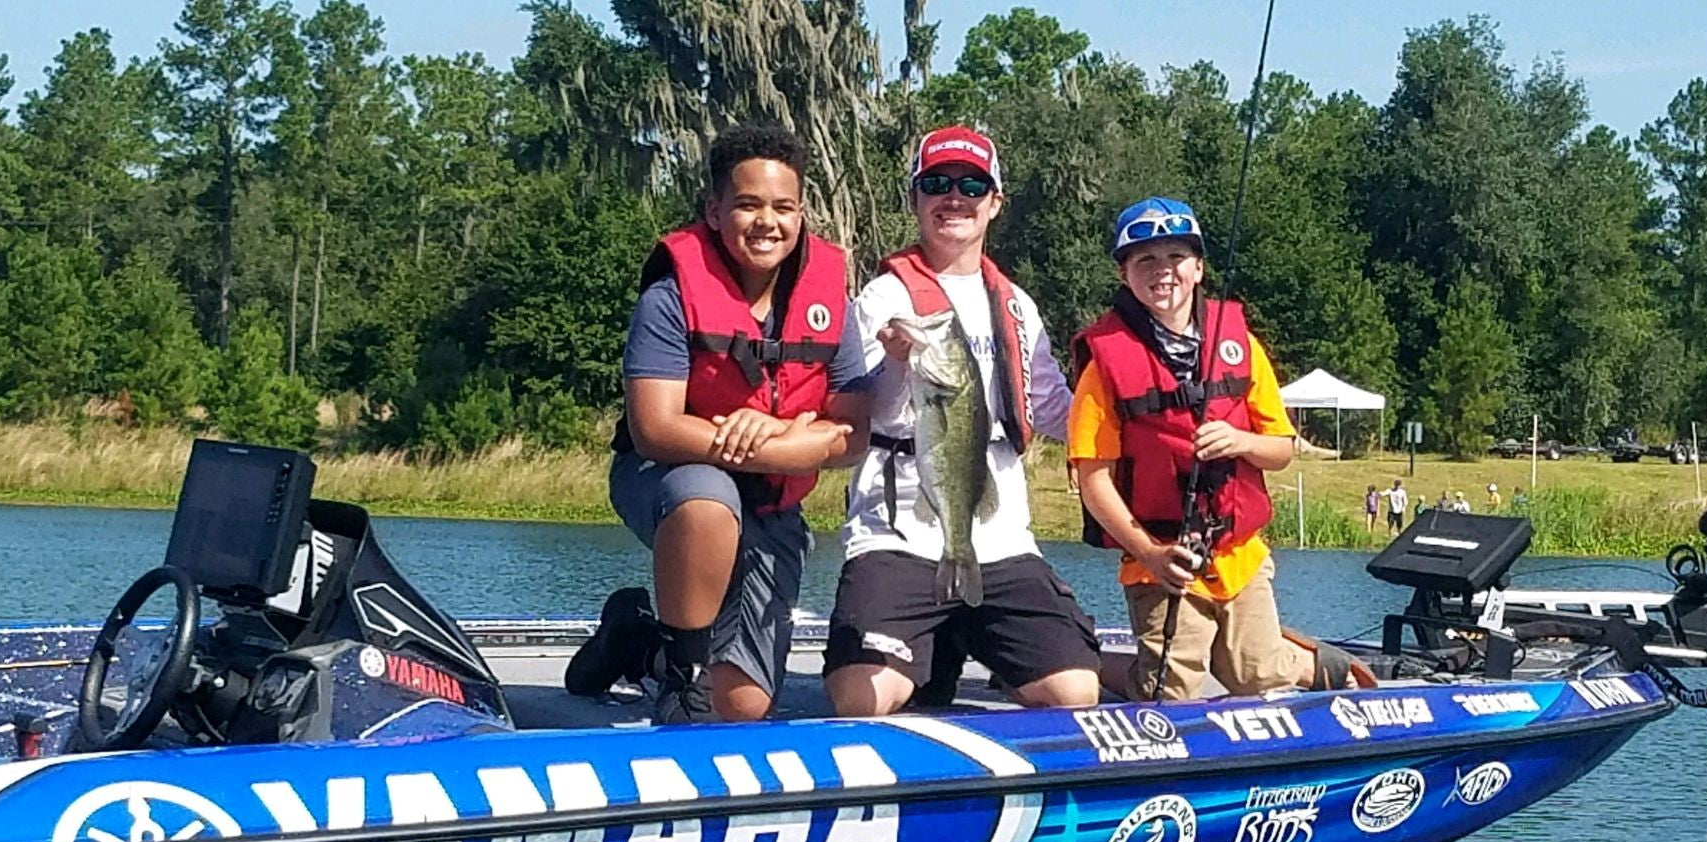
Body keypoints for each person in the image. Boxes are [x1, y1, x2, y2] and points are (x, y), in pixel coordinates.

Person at [566, 124, 870, 724]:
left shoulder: (831, 298)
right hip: (670, 479)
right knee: (707, 497)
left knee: (743, 707)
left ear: (802, 212)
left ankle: (635, 644)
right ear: (715, 210)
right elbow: (656, 428)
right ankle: (680, 676)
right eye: (748, 204)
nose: (767, 222)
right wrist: (780, 441)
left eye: (783, 207)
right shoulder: (670, 295)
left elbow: (851, 434)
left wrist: (774, 435)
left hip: (771, 505)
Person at [824, 125, 1101, 717]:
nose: (955, 197)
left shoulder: (1018, 306)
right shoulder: (880, 297)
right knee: (863, 699)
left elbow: (1053, 408)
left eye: (973, 184)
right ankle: (935, 643)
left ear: (995, 202)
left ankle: (966, 640)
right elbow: (856, 411)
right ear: (915, 198)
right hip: (898, 531)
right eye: (937, 184)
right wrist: (898, 366)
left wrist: (1134, 416)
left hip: (999, 537)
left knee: (1075, 692)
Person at [1069, 197, 1366, 701]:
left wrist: (1241, 441)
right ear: (1124, 274)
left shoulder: (1241, 345)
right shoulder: (1105, 363)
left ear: (1199, 267)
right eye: (1145, 260)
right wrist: (1150, 552)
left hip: (1239, 554)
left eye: (1176, 258)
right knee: (1170, 691)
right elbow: (1093, 478)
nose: (1163, 272)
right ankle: (1094, 664)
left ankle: (1313, 662)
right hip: (1159, 557)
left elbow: (1281, 448)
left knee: (1258, 676)